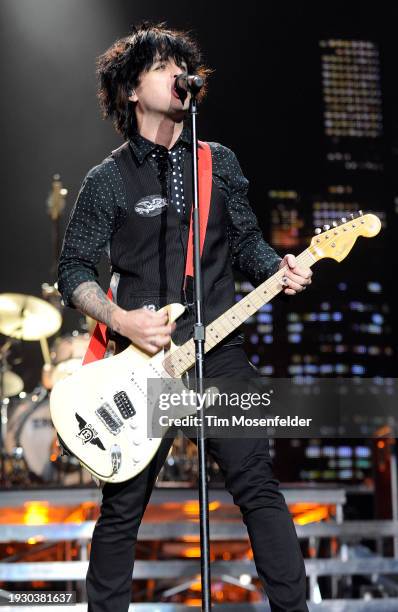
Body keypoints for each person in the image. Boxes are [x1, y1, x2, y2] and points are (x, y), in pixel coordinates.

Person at [58, 21, 312, 612]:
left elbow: (248, 245)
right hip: (142, 361)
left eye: (182, 64)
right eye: (160, 65)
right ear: (130, 89)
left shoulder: (216, 163)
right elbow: (73, 271)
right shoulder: (107, 179)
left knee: (257, 484)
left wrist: (282, 266)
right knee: (123, 510)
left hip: (218, 352)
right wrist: (123, 323)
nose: (178, 74)